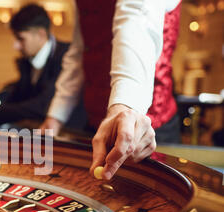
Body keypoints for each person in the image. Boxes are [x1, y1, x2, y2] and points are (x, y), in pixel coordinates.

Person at [40, 0, 182, 180]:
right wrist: (56, 116)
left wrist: (124, 108)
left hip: (149, 126)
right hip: (98, 124)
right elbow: (81, 49)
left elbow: (136, 21)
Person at [0, 4, 71, 127]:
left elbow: (44, 105)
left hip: (71, 137)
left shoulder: (67, 56)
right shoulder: (28, 61)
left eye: (21, 39)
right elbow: (15, 100)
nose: (16, 46)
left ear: (41, 34)